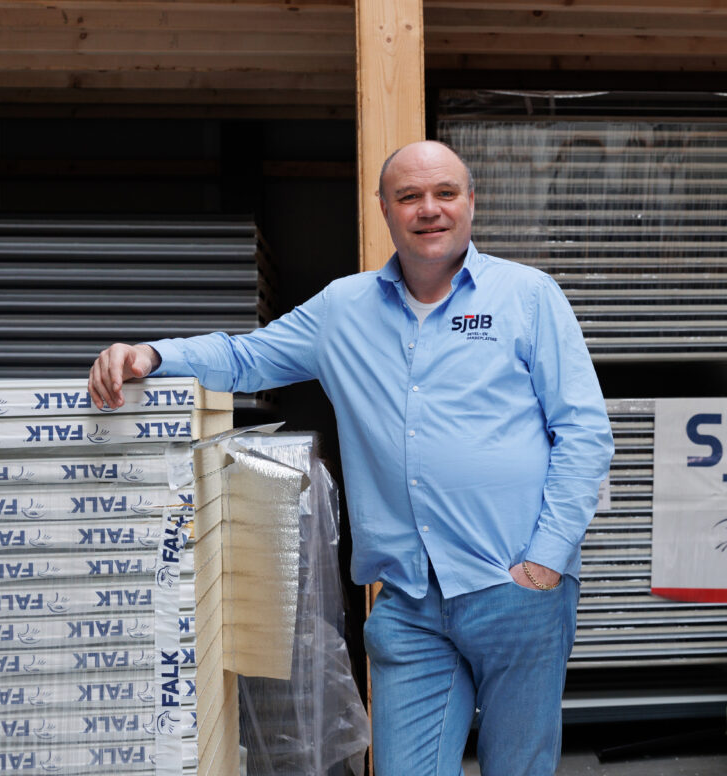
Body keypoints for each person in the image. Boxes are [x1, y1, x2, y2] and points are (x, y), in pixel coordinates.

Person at [87, 140, 615, 776]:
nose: (429, 209)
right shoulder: (343, 309)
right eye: (409, 196)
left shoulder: (528, 296)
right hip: (410, 602)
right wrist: (154, 355)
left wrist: (544, 564)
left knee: (520, 768)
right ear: (385, 211)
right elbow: (248, 357)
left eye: (445, 193)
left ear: (470, 203)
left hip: (516, 589)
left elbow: (583, 432)